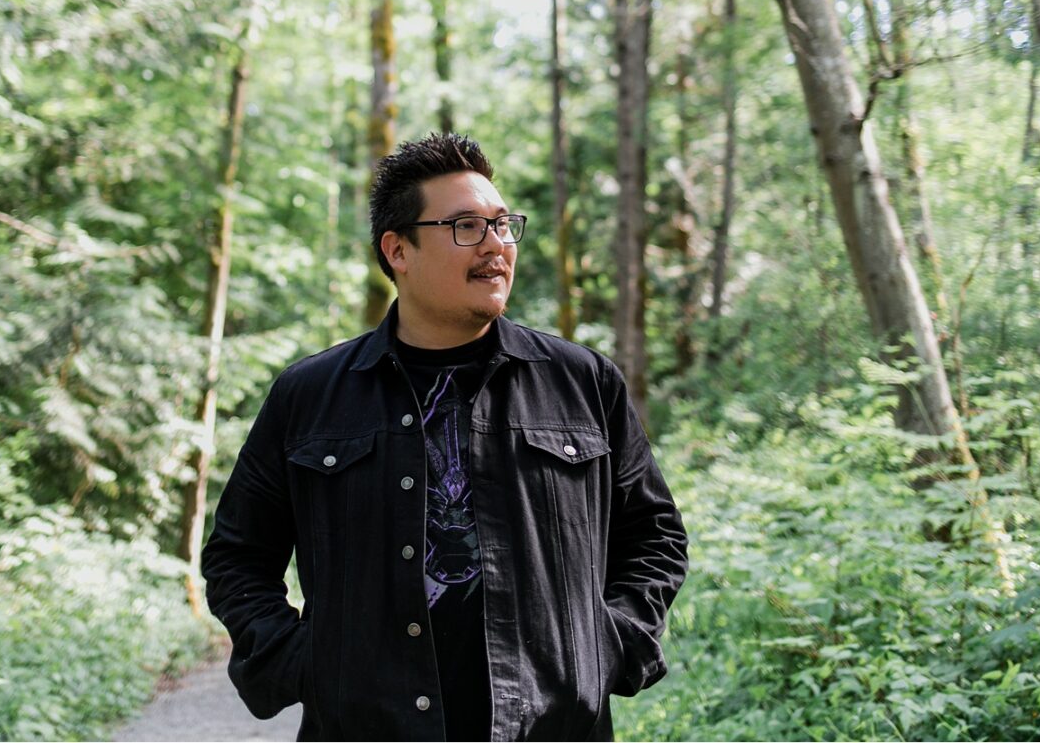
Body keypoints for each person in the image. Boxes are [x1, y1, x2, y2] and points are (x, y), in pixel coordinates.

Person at [202, 133, 689, 741]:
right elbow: (237, 556)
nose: (495, 246)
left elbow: (655, 534)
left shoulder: (583, 383)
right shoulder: (310, 396)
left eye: (503, 225)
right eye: (465, 226)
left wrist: (610, 644)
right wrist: (302, 662)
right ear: (398, 249)